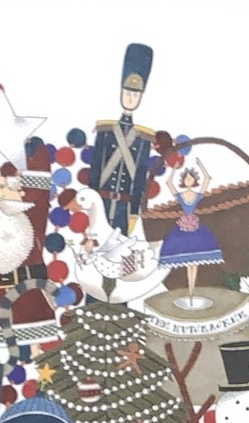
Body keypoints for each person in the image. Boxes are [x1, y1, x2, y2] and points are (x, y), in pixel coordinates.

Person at [87, 42, 156, 234]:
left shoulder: (143, 138)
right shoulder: (105, 131)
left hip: (124, 207)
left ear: (141, 97)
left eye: (135, 94)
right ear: (121, 92)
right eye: (127, 93)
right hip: (102, 202)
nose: (131, 98)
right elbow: (95, 170)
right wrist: (91, 203)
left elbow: (139, 178)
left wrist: (134, 212)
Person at [157, 158, 223, 308]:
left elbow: (208, 178)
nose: (188, 180)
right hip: (183, 227)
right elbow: (168, 183)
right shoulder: (180, 195)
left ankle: (192, 291)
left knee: (195, 263)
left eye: (190, 178)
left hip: (195, 227)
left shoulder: (197, 195)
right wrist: (174, 169)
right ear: (183, 181)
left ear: (194, 180)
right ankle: (190, 292)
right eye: (186, 178)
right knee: (188, 263)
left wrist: (201, 165)